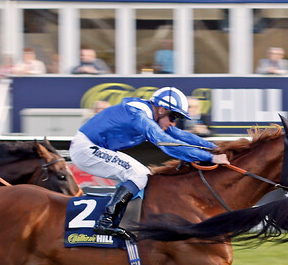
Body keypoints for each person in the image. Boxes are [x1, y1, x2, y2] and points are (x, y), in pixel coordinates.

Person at [69, 87, 229, 239]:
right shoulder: (139, 115)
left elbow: (180, 135)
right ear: (161, 109)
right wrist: (211, 158)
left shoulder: (152, 116)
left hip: (92, 147)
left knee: (143, 174)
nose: (174, 123)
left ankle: (121, 218)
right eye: (173, 117)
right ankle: (106, 221)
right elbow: (168, 144)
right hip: (86, 148)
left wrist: (215, 148)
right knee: (138, 174)